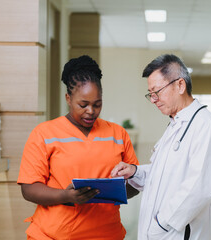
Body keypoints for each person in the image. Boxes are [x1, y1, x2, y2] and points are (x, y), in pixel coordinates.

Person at [17, 55, 139, 240]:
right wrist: (66, 196)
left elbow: (136, 183)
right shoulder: (44, 133)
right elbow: (29, 188)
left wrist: (118, 189)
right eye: (83, 105)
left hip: (106, 233)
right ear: (68, 98)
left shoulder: (118, 134)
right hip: (53, 234)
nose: (91, 111)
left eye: (97, 104)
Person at [111, 54, 211, 240]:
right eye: (150, 94)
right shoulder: (175, 124)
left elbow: (201, 186)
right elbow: (163, 175)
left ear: (180, 85)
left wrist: (163, 223)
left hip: (176, 232)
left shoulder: (204, 124)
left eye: (157, 92)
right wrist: (135, 172)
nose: (153, 99)